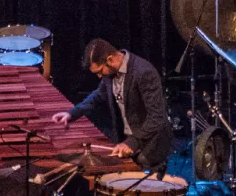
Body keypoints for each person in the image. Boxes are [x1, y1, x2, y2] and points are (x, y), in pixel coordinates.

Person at [51, 38, 173, 171]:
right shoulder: (110, 75)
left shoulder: (143, 72)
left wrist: (132, 142)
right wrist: (72, 113)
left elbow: (156, 117)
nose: (99, 76)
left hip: (152, 140)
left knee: (138, 175)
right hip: (128, 138)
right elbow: (97, 96)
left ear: (110, 60)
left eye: (100, 71)